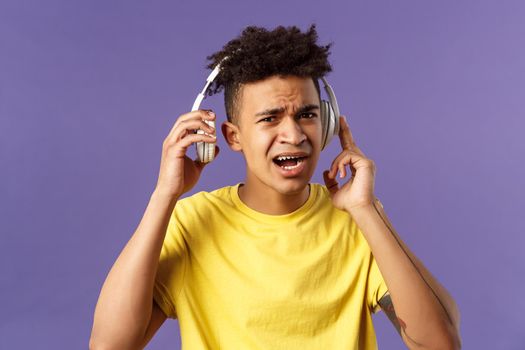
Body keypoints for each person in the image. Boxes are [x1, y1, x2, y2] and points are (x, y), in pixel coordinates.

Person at [89, 24, 461, 349]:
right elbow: (110, 344)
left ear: (328, 124)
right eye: (270, 118)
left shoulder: (358, 221)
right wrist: (164, 196)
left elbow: (440, 343)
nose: (294, 134)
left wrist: (366, 211)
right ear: (233, 137)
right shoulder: (192, 223)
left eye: (307, 115)